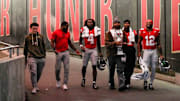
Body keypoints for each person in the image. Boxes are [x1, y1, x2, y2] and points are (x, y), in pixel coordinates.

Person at [51, 21, 80, 91]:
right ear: (62, 26)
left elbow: (69, 43)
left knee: (66, 68)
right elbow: (52, 41)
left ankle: (65, 84)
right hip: (58, 52)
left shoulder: (68, 33)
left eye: (67, 26)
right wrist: (54, 49)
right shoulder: (56, 32)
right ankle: (58, 80)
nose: (66, 27)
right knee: (57, 69)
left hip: (66, 52)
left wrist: (76, 50)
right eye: (65, 26)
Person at [137, 19, 164, 90]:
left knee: (154, 68)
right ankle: (145, 81)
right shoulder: (142, 31)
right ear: (145, 24)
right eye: (147, 23)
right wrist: (139, 52)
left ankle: (151, 83)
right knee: (145, 67)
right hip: (146, 51)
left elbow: (158, 43)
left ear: (152, 24)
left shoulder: (156, 31)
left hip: (154, 50)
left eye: (150, 23)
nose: (148, 24)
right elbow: (139, 43)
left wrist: (161, 54)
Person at [79, 19, 103, 89]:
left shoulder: (97, 29)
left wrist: (100, 52)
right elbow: (80, 40)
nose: (90, 23)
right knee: (84, 66)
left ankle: (94, 82)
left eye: (91, 22)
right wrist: (81, 46)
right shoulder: (83, 29)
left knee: (94, 66)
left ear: (93, 23)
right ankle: (83, 79)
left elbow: (98, 41)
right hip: (86, 49)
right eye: (88, 22)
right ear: (86, 23)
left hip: (93, 49)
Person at [105, 17, 126, 91]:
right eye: (116, 23)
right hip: (111, 53)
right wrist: (115, 43)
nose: (117, 24)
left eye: (118, 23)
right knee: (111, 69)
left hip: (120, 53)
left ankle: (121, 84)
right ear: (113, 24)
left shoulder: (122, 32)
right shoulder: (109, 32)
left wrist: (124, 44)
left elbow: (125, 41)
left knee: (120, 69)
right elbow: (106, 43)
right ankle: (111, 83)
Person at [24, 22, 46, 94]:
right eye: (33, 28)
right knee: (33, 72)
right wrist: (25, 59)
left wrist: (44, 56)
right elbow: (25, 48)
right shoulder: (27, 37)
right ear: (31, 29)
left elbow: (44, 46)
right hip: (31, 57)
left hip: (41, 57)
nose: (35, 30)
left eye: (36, 28)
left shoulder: (41, 36)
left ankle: (35, 84)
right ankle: (34, 87)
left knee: (39, 73)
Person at [122, 20, 138, 89]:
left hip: (131, 49)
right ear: (123, 24)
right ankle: (126, 81)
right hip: (123, 50)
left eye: (128, 23)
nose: (127, 24)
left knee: (131, 66)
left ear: (129, 24)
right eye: (125, 23)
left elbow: (138, 42)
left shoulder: (133, 32)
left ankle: (127, 79)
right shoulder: (120, 32)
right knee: (124, 66)